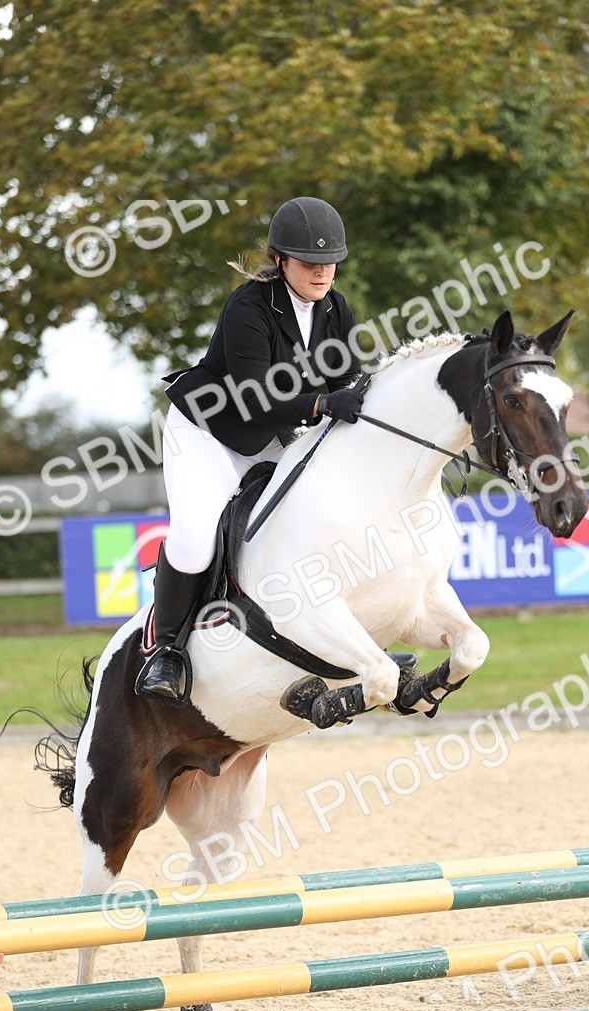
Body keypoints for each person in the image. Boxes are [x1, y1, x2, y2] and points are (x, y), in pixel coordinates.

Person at [138, 196, 363, 703]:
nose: (323, 272)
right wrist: (326, 403)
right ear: (281, 260)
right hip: (207, 432)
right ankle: (166, 652)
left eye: (330, 262)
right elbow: (255, 394)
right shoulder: (249, 305)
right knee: (198, 535)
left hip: (268, 436)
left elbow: (350, 376)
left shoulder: (336, 308)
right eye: (309, 262)